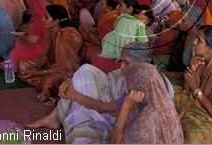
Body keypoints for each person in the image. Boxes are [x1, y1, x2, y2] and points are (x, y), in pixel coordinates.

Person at [27, 42, 176, 143]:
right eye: (121, 61)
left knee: (81, 116)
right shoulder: (144, 74)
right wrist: (72, 82)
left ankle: (61, 117)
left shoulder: (143, 88)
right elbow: (113, 79)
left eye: (126, 62)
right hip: (113, 94)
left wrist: (75, 96)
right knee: (84, 71)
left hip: (117, 117)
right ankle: (55, 117)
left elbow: (106, 109)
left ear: (145, 63)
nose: (122, 67)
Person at [19, 4, 84, 105]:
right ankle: (40, 77)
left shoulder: (67, 36)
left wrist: (37, 73)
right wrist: (40, 64)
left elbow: (65, 68)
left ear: (56, 21)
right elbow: (46, 53)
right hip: (53, 65)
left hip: (68, 73)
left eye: (46, 17)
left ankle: (51, 92)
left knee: (49, 83)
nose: (42, 20)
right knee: (24, 65)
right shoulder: (52, 31)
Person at [97, 0, 148, 72]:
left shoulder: (121, 17)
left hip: (110, 47)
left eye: (120, 5)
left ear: (129, 9)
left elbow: (115, 29)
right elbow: (143, 42)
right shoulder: (139, 23)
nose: (117, 7)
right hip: (124, 50)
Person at [9, 0, 50, 72]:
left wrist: (22, 36)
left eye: (29, 8)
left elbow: (32, 40)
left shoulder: (39, 18)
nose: (28, 10)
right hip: (43, 47)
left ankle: (13, 72)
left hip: (40, 50)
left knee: (15, 52)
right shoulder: (42, 15)